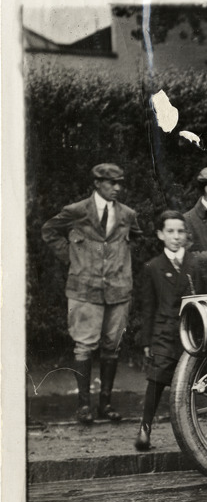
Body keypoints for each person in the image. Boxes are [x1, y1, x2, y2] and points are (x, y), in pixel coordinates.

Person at [42, 163, 143, 424]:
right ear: (97, 183)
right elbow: (49, 230)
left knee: (112, 346)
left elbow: (136, 238)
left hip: (118, 291)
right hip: (84, 290)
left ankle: (105, 405)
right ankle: (84, 406)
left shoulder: (127, 214)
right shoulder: (76, 211)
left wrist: (121, 263)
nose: (117, 188)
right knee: (84, 346)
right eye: (111, 183)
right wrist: (72, 257)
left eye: (120, 183)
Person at [134, 211, 207, 451]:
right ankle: (144, 429)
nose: (176, 237)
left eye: (180, 231)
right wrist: (147, 340)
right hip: (164, 333)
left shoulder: (197, 264)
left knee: (205, 378)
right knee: (156, 380)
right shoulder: (152, 267)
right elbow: (148, 307)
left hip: (193, 332)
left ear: (186, 234)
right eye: (170, 231)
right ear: (160, 234)